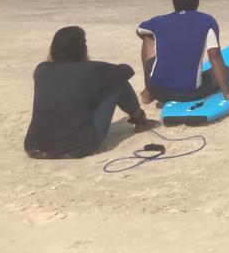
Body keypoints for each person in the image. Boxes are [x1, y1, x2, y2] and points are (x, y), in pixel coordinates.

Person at [24, 26, 156, 158]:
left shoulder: (41, 69)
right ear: (81, 47)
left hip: (34, 146)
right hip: (77, 147)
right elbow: (127, 71)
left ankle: (139, 119)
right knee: (117, 81)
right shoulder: (91, 69)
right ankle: (140, 120)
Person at [137, 0, 229, 105]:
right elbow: (214, 56)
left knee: (148, 37)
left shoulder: (157, 21)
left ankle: (147, 92)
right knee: (227, 71)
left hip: (158, 91)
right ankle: (150, 90)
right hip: (189, 93)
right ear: (197, 3)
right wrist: (227, 92)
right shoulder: (207, 21)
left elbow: (139, 31)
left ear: (174, 2)